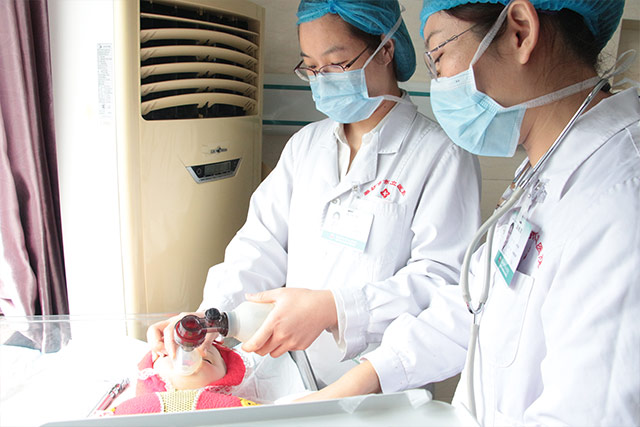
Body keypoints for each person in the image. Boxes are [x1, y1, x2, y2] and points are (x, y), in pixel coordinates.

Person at [298, 0, 640, 425]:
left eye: (440, 55)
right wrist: (347, 389)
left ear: (520, 31)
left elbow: (588, 415)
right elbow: (471, 307)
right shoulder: (544, 172)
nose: (438, 82)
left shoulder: (620, 197)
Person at [148, 0, 481, 387]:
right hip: (289, 374)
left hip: (381, 385)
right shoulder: (306, 146)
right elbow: (261, 245)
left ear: (386, 49)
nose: (323, 80)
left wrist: (335, 309)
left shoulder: (440, 155)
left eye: (336, 64)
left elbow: (442, 282)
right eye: (311, 68)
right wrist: (210, 319)